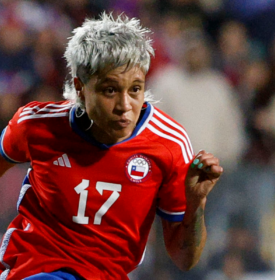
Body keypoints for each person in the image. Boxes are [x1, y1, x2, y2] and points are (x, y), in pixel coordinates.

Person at [0, 13, 223, 280]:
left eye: (135, 89)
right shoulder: (36, 124)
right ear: (80, 88)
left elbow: (184, 259)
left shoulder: (169, 144)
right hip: (35, 268)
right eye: (110, 90)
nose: (125, 106)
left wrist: (196, 203)